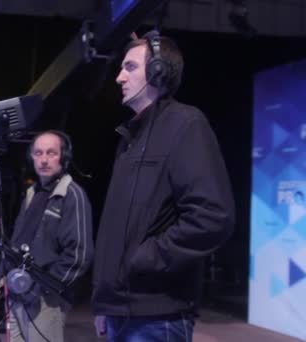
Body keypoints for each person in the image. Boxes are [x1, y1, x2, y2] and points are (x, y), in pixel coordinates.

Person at [91, 30, 235, 341]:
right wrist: (104, 303)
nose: (118, 77)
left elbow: (212, 216)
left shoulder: (186, 124)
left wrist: (147, 258)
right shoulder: (130, 139)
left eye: (129, 67)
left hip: (157, 317)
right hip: (120, 312)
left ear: (159, 71)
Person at [7, 130, 94, 342]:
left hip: (46, 299)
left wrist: (47, 288)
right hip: (19, 293)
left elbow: (80, 255)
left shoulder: (72, 195)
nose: (44, 159)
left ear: (63, 158)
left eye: (51, 153)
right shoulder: (32, 192)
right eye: (38, 153)